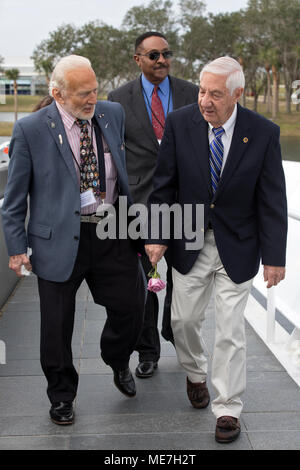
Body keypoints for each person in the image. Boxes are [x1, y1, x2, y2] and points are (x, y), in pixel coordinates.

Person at [145, 56, 287, 443]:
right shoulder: (180, 123)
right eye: (203, 91)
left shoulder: (263, 133)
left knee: (229, 329)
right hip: (188, 241)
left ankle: (227, 407)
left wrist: (275, 257)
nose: (205, 100)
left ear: (237, 94)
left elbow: (272, 198)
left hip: (238, 245)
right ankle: (195, 372)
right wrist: (157, 234)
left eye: (216, 94)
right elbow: (164, 186)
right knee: (183, 322)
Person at [1, 55, 146, 426]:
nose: (92, 99)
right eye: (84, 93)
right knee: (56, 325)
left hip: (112, 230)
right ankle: (62, 395)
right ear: (58, 94)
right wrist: (17, 247)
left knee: (131, 304)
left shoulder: (111, 113)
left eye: (95, 90)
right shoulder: (31, 129)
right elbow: (15, 197)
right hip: (58, 239)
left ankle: (116, 358)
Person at [108, 31, 199, 379]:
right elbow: (114, 153)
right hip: (140, 206)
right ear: (138, 59)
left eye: (167, 54)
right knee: (145, 282)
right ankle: (147, 350)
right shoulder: (118, 99)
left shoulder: (191, 93)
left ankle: (174, 333)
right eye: (154, 55)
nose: (162, 60)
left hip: (187, 204)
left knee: (185, 278)